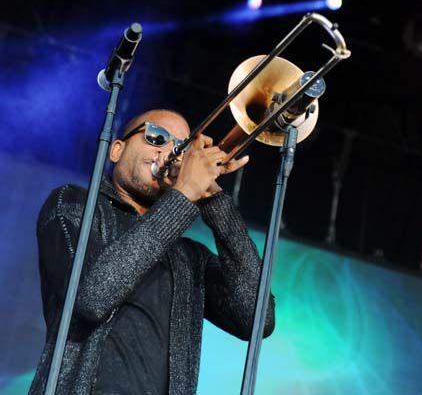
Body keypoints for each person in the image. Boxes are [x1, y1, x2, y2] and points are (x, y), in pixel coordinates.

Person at [29, 109, 276, 395]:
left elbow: (256, 318)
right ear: (117, 150)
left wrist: (213, 198)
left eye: (181, 149)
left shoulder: (188, 257)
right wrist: (184, 193)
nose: (170, 153)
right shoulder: (75, 204)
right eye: (156, 137)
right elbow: (92, 295)